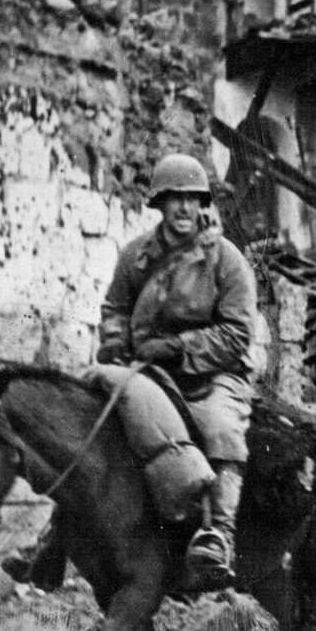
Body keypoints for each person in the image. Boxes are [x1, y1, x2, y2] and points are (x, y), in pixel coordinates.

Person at [96, 152, 258, 590]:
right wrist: (114, 341)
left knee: (222, 428)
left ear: (203, 203)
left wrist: (179, 348)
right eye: (174, 199)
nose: (185, 208)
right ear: (160, 204)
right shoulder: (137, 257)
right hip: (149, 370)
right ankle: (54, 541)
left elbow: (237, 334)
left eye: (193, 199)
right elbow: (115, 308)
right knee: (97, 422)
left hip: (212, 375)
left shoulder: (225, 259)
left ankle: (217, 535)